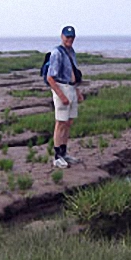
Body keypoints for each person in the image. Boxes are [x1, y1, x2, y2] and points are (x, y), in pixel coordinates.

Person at [46, 26, 84, 168]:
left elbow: (73, 72)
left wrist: (77, 91)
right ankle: (57, 157)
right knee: (60, 122)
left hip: (71, 87)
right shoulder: (57, 53)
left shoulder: (71, 52)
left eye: (72, 37)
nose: (70, 39)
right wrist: (61, 95)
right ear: (62, 36)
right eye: (67, 37)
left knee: (69, 122)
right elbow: (50, 78)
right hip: (61, 88)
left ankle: (64, 152)